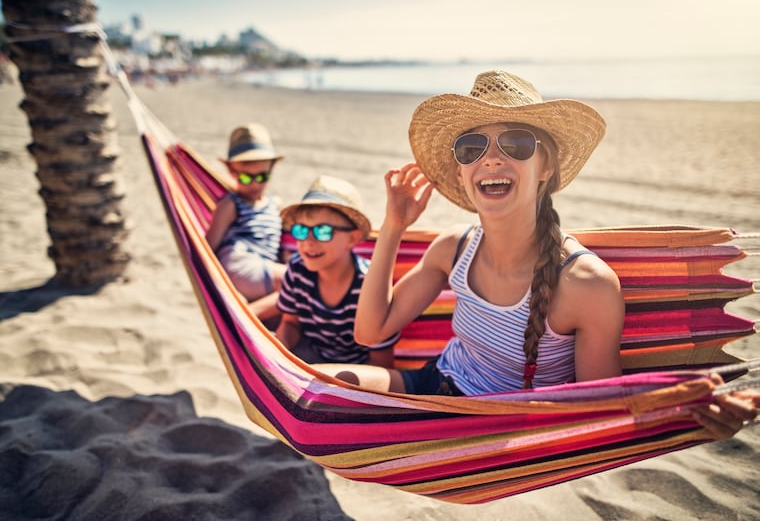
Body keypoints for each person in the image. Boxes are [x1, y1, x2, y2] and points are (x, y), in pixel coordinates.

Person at [314, 70, 757, 439]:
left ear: (546, 166)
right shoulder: (454, 247)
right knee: (317, 391)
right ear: (461, 171)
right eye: (472, 148)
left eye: (516, 144)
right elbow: (371, 332)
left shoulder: (585, 284)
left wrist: (692, 411)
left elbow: (603, 407)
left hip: (503, 430)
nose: (491, 158)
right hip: (433, 384)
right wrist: (394, 226)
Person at [276, 175, 400, 366]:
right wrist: (278, 350)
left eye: (323, 231)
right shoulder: (297, 269)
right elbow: (291, 323)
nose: (308, 241)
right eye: (301, 230)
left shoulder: (369, 286)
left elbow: (381, 363)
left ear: (352, 239)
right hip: (309, 357)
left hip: (355, 371)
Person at [206, 123, 287, 323]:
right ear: (231, 171)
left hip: (263, 270)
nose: (254, 184)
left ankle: (247, 310)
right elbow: (207, 248)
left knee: (304, 287)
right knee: (303, 282)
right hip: (239, 264)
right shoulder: (231, 204)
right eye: (245, 177)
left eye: (262, 176)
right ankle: (247, 315)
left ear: (272, 169)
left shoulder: (274, 205)